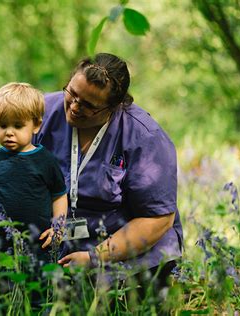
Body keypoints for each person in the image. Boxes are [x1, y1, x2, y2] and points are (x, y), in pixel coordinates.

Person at [33, 53, 183, 298]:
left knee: (114, 299)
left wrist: (95, 257)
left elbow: (158, 219)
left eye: (89, 105)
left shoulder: (146, 138)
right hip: (58, 238)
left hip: (125, 245)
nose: (74, 107)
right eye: (71, 93)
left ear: (115, 107)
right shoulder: (41, 112)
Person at [0, 82, 68, 264]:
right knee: (2, 290)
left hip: (38, 244)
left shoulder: (45, 160)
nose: (9, 132)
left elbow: (59, 196)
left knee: (37, 289)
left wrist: (58, 227)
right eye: (2, 125)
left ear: (36, 126)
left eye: (18, 126)